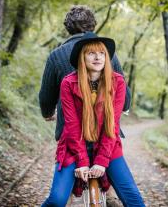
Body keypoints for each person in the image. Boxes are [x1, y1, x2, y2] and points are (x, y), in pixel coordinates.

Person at [41, 32, 145, 207]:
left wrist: (101, 161)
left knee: (134, 199)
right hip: (74, 147)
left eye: (102, 53)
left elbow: (112, 126)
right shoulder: (68, 83)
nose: (98, 57)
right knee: (57, 200)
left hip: (107, 146)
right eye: (91, 53)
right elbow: (72, 126)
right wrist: (82, 162)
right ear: (82, 57)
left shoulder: (117, 82)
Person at [38, 5, 130, 141]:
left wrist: (48, 113)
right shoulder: (107, 54)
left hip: (71, 134)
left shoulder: (56, 55)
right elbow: (125, 98)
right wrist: (124, 106)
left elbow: (46, 97)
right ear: (93, 25)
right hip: (104, 132)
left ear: (68, 28)